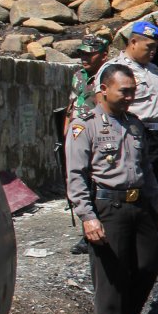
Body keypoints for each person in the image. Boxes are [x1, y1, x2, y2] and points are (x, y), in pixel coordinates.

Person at [65, 64, 158, 314]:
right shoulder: (84, 126)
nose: (130, 96)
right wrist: (87, 217)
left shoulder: (135, 125)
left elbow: (148, 173)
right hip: (108, 208)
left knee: (146, 267)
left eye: (133, 91)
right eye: (124, 91)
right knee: (111, 279)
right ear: (104, 89)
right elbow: (75, 177)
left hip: (139, 206)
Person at [105, 21, 158, 196]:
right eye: (149, 47)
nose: (153, 51)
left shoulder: (154, 70)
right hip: (133, 137)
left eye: (156, 47)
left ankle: (156, 222)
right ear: (133, 42)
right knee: (135, 189)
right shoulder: (114, 70)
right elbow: (104, 109)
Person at [64, 34, 110, 255]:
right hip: (77, 133)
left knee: (97, 183)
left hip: (98, 136)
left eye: (89, 54)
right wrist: (66, 134)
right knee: (79, 181)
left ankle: (100, 230)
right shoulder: (78, 76)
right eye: (82, 53)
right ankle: (87, 233)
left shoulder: (109, 77)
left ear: (103, 55)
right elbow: (72, 104)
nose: (84, 58)